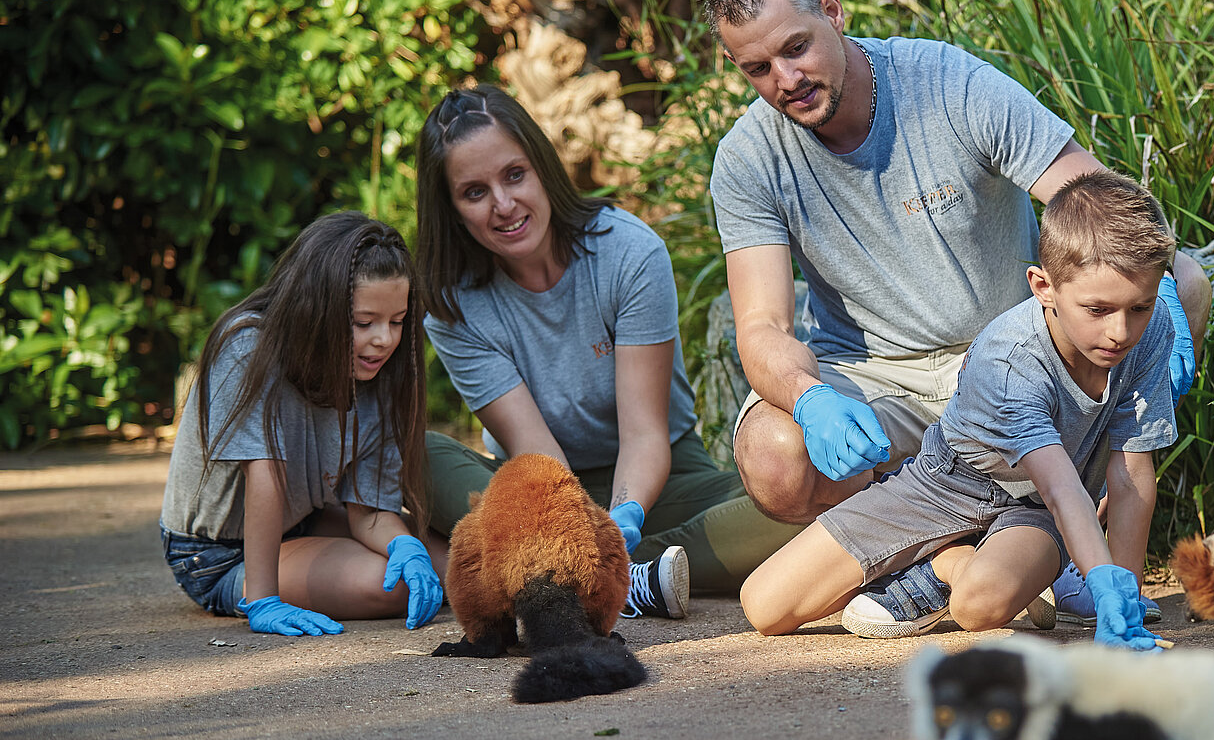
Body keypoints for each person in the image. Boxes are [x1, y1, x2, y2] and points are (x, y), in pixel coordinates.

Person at [699, 0, 1208, 613]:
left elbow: (1086, 187)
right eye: (758, 69)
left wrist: (1161, 286)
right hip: (882, 382)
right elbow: (762, 327)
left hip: (1014, 358)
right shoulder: (748, 158)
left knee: (1188, 281)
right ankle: (951, 554)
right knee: (772, 450)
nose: (786, 78)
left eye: (797, 48)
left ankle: (1083, 549)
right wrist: (808, 398)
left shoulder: (944, 83)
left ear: (832, 12)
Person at [739, 171, 1173, 650]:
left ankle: (985, 572)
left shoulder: (1151, 332)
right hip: (948, 482)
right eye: (1097, 310)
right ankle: (947, 558)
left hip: (1033, 510)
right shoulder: (1010, 360)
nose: (1120, 331)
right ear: (1042, 286)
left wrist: (1123, 597)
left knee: (978, 608)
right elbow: (1062, 487)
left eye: (1140, 307)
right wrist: (1103, 578)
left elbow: (1131, 469)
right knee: (766, 607)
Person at [414, 85, 797, 611]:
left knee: (803, 496)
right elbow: (536, 455)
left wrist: (616, 525)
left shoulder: (628, 253)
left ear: (543, 169)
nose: (504, 205)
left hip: (653, 484)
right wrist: (566, 524)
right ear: (452, 209)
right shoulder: (452, 304)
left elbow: (644, 434)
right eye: (474, 192)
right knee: (415, 454)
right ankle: (615, 576)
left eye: (514, 175)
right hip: (537, 495)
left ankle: (600, 573)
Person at [159, 212, 446, 637]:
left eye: (397, 321)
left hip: (303, 520)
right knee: (395, 588)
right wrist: (264, 600)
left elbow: (367, 513)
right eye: (364, 322)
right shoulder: (247, 347)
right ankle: (253, 588)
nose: (384, 339)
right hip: (218, 553)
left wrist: (404, 544)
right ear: (316, 310)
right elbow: (266, 477)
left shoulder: (378, 372)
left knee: (451, 563)